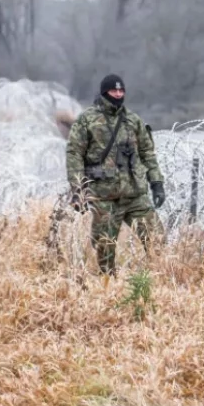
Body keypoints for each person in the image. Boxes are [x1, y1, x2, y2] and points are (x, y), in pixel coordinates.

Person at [65, 73, 166, 274]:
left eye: (121, 90)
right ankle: (107, 287)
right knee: (104, 248)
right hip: (104, 195)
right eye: (114, 90)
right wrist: (78, 191)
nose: (118, 94)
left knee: (157, 240)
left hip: (135, 194)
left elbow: (147, 153)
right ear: (105, 92)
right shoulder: (87, 120)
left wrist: (156, 183)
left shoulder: (133, 120)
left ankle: (159, 280)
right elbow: (74, 153)